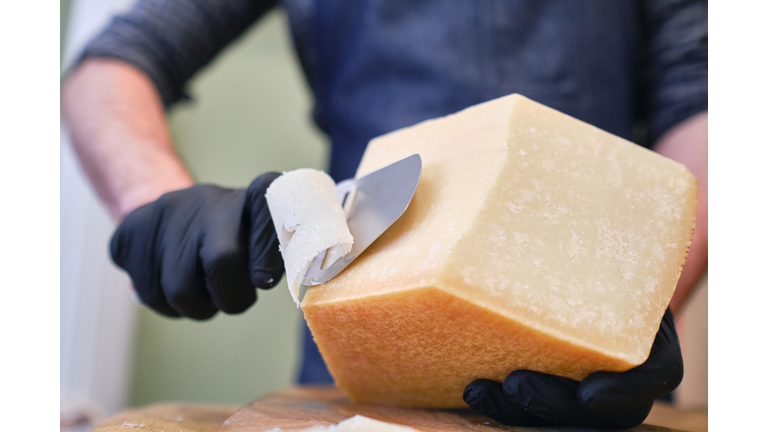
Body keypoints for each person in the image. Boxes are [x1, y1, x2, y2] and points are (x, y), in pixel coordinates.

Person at [63, 0, 707, 428]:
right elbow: (112, 65)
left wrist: (624, 315)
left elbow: (708, 107)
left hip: (589, 394)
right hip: (358, 366)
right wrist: (156, 196)